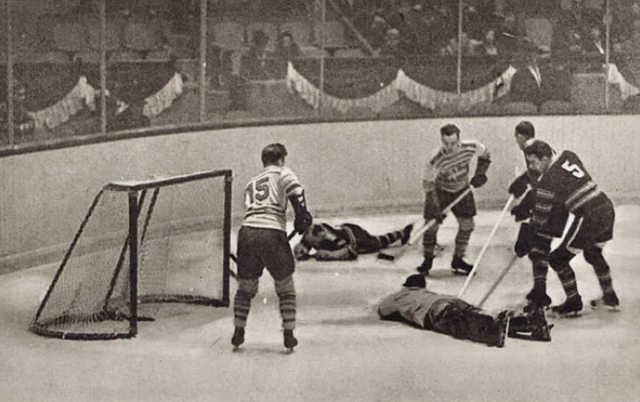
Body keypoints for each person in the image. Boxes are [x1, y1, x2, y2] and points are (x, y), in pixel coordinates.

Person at [521, 140, 620, 316]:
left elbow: (541, 219)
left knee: (557, 259)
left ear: (545, 158)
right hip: (606, 207)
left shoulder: (547, 180)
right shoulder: (569, 155)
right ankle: (610, 296)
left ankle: (573, 302)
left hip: (590, 216)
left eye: (535, 162)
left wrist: (527, 234)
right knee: (593, 253)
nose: (533, 167)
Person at [231, 143, 313, 350]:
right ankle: (289, 333)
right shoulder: (283, 172)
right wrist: (302, 215)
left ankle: (239, 330)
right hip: (272, 232)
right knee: (285, 287)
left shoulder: (252, 182)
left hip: (247, 232)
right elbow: (295, 191)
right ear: (281, 160)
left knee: (246, 288)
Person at [378, 274, 553, 347]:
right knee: (475, 314)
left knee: (461, 324)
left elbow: (383, 310)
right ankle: (532, 323)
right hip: (449, 299)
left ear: (408, 285)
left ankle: (493, 331)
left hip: (432, 310)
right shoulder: (427, 292)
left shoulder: (401, 295)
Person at [507, 122, 569, 311]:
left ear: (519, 136)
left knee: (538, 248)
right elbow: (536, 177)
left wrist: (524, 206)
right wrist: (523, 182)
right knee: (538, 249)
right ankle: (539, 290)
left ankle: (541, 294)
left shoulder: (530, 149)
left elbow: (541, 183)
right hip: (551, 203)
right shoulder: (541, 147)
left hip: (552, 205)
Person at [416, 124, 491, 276]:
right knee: (431, 226)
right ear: (441, 140)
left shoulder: (471, 146)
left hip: (462, 189)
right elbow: (428, 184)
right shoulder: (434, 158)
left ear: (459, 139)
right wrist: (434, 206)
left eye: (453, 143)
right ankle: (427, 260)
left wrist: (480, 173)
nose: (450, 147)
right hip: (440, 191)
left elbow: (485, 155)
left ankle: (458, 259)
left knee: (467, 224)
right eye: (446, 143)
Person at [293, 221, 413, 261]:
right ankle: (402, 233)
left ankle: (403, 232)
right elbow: (303, 247)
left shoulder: (327, 236)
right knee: (377, 241)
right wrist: (300, 251)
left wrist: (332, 255)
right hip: (347, 231)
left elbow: (349, 251)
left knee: (377, 242)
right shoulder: (310, 234)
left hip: (356, 236)